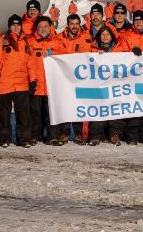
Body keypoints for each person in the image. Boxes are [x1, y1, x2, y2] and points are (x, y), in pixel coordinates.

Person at [0, 15, 34, 147]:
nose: (16, 27)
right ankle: (4, 139)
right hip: (5, 83)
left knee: (23, 114)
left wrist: (33, 80)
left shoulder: (26, 42)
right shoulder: (1, 41)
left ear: (21, 26)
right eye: (13, 25)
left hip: (21, 84)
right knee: (3, 114)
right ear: (9, 27)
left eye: (18, 25)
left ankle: (24, 139)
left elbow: (31, 63)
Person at [53, 13, 95, 144]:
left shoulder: (87, 37)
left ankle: (78, 133)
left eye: (77, 23)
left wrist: (100, 54)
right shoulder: (59, 38)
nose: (75, 26)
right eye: (72, 24)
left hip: (80, 79)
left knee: (78, 106)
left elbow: (93, 51)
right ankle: (64, 133)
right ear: (68, 25)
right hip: (64, 78)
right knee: (65, 105)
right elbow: (54, 52)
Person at [87, 26, 129, 145]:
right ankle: (95, 135)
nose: (105, 37)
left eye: (107, 35)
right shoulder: (93, 48)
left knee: (115, 109)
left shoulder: (119, 48)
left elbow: (128, 60)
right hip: (99, 86)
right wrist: (96, 55)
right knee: (99, 110)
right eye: (103, 35)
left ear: (112, 36)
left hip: (115, 85)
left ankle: (114, 135)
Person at [122, 10, 143, 144]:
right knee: (134, 106)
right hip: (132, 76)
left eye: (140, 20)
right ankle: (132, 136)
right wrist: (131, 53)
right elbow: (121, 53)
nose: (138, 23)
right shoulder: (126, 35)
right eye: (135, 20)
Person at [26, 15, 56, 144]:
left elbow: (65, 55)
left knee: (51, 112)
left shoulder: (57, 41)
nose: (43, 29)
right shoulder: (30, 41)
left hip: (52, 85)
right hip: (36, 83)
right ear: (36, 28)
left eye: (45, 26)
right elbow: (28, 60)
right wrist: (32, 79)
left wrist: (52, 51)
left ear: (50, 27)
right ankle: (35, 135)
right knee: (35, 112)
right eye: (40, 27)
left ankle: (52, 136)